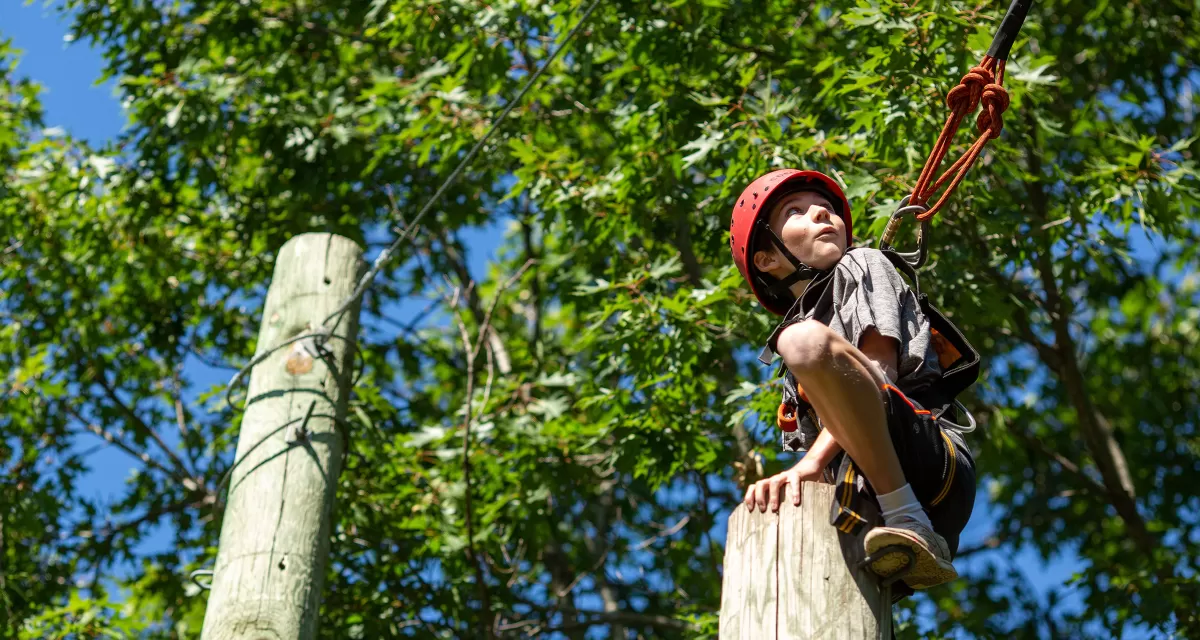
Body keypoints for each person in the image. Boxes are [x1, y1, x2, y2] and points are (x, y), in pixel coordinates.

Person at [727, 169, 977, 590]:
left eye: (826, 209)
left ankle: (906, 516)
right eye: (796, 211)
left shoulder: (863, 264)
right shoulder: (802, 343)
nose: (822, 214)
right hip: (862, 495)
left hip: (924, 459)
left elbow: (881, 372)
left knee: (801, 342)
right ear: (767, 258)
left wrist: (810, 463)